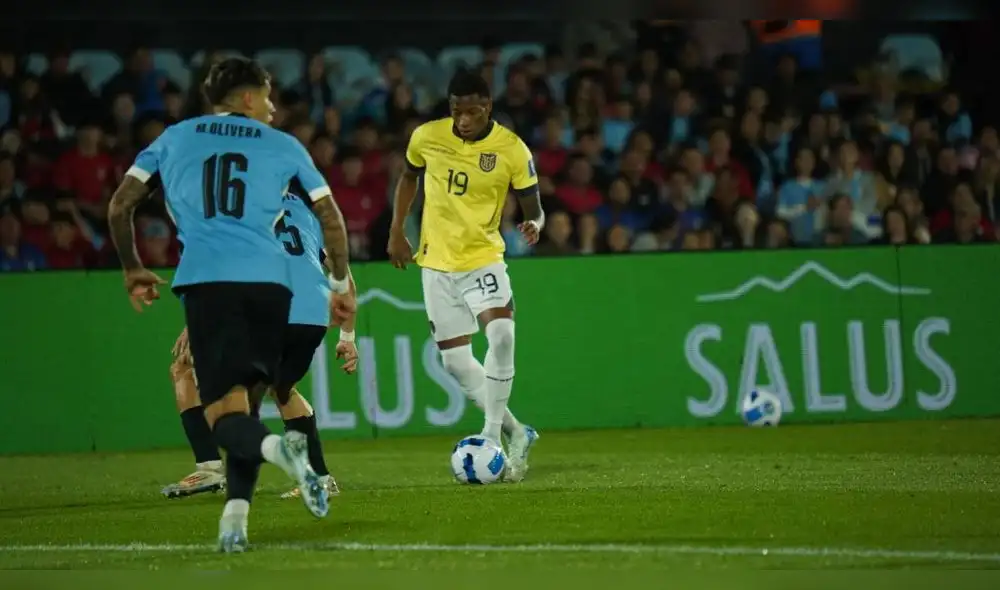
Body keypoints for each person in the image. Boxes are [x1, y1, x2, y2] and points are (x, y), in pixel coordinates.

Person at [105, 57, 356, 553]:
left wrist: (132, 266)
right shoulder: (284, 146)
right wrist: (341, 282)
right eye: (266, 96)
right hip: (273, 287)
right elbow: (330, 215)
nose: (271, 107)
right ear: (246, 98)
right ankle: (235, 520)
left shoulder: (174, 138)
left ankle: (281, 450)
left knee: (226, 419)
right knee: (252, 402)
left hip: (210, 281)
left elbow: (120, 204)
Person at [387, 70, 544, 482]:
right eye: (455, 110)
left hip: (483, 259)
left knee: (503, 336)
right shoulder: (426, 136)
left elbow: (534, 206)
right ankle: (518, 432)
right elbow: (408, 177)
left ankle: (490, 435)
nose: (461, 120)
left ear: (487, 107)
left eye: (470, 111)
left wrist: (536, 225)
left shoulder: (511, 149)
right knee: (455, 361)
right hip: (436, 264)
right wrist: (396, 231)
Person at [161, 191, 360, 501]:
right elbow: (342, 276)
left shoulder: (237, 206)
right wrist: (348, 337)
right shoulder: (310, 212)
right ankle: (320, 477)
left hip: (266, 307)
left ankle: (212, 467)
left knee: (185, 368)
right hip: (314, 312)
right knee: (281, 389)